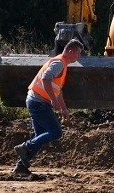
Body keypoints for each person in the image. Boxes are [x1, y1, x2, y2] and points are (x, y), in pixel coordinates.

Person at [12, 39, 83, 176]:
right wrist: (53, 100)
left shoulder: (62, 64)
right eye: (78, 53)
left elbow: (58, 89)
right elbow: (45, 79)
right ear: (70, 51)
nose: (79, 56)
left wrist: (63, 108)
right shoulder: (59, 63)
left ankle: (20, 166)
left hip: (35, 101)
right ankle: (26, 146)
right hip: (38, 102)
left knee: (40, 137)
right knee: (56, 132)